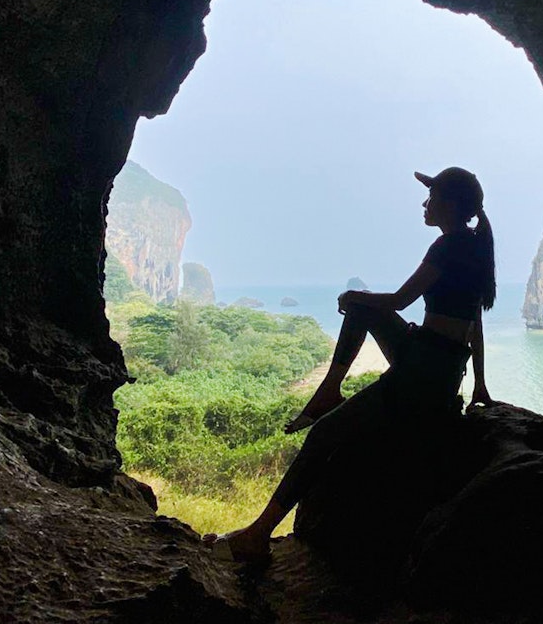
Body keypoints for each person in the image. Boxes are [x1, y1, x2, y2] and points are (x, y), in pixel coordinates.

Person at [204, 167, 497, 563]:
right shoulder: (475, 247)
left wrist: (354, 294)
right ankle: (328, 392)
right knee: (360, 307)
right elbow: (474, 327)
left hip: (422, 371)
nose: (424, 204)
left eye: (431, 197)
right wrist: (478, 385)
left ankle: (257, 534)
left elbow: (399, 301)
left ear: (449, 203)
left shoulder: (446, 248)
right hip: (440, 366)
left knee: (323, 435)